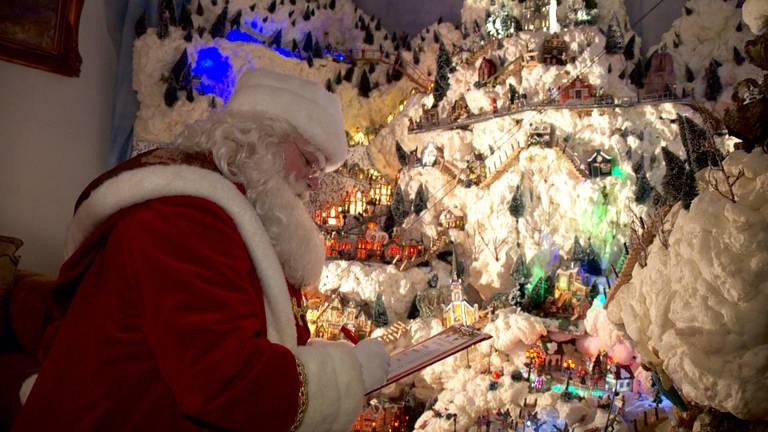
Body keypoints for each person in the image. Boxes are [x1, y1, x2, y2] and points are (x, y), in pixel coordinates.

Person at [13, 69, 390, 431]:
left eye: (320, 172)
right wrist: (346, 376)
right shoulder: (185, 220)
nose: (312, 182)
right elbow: (223, 377)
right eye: (309, 161)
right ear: (261, 137)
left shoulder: (235, 213)